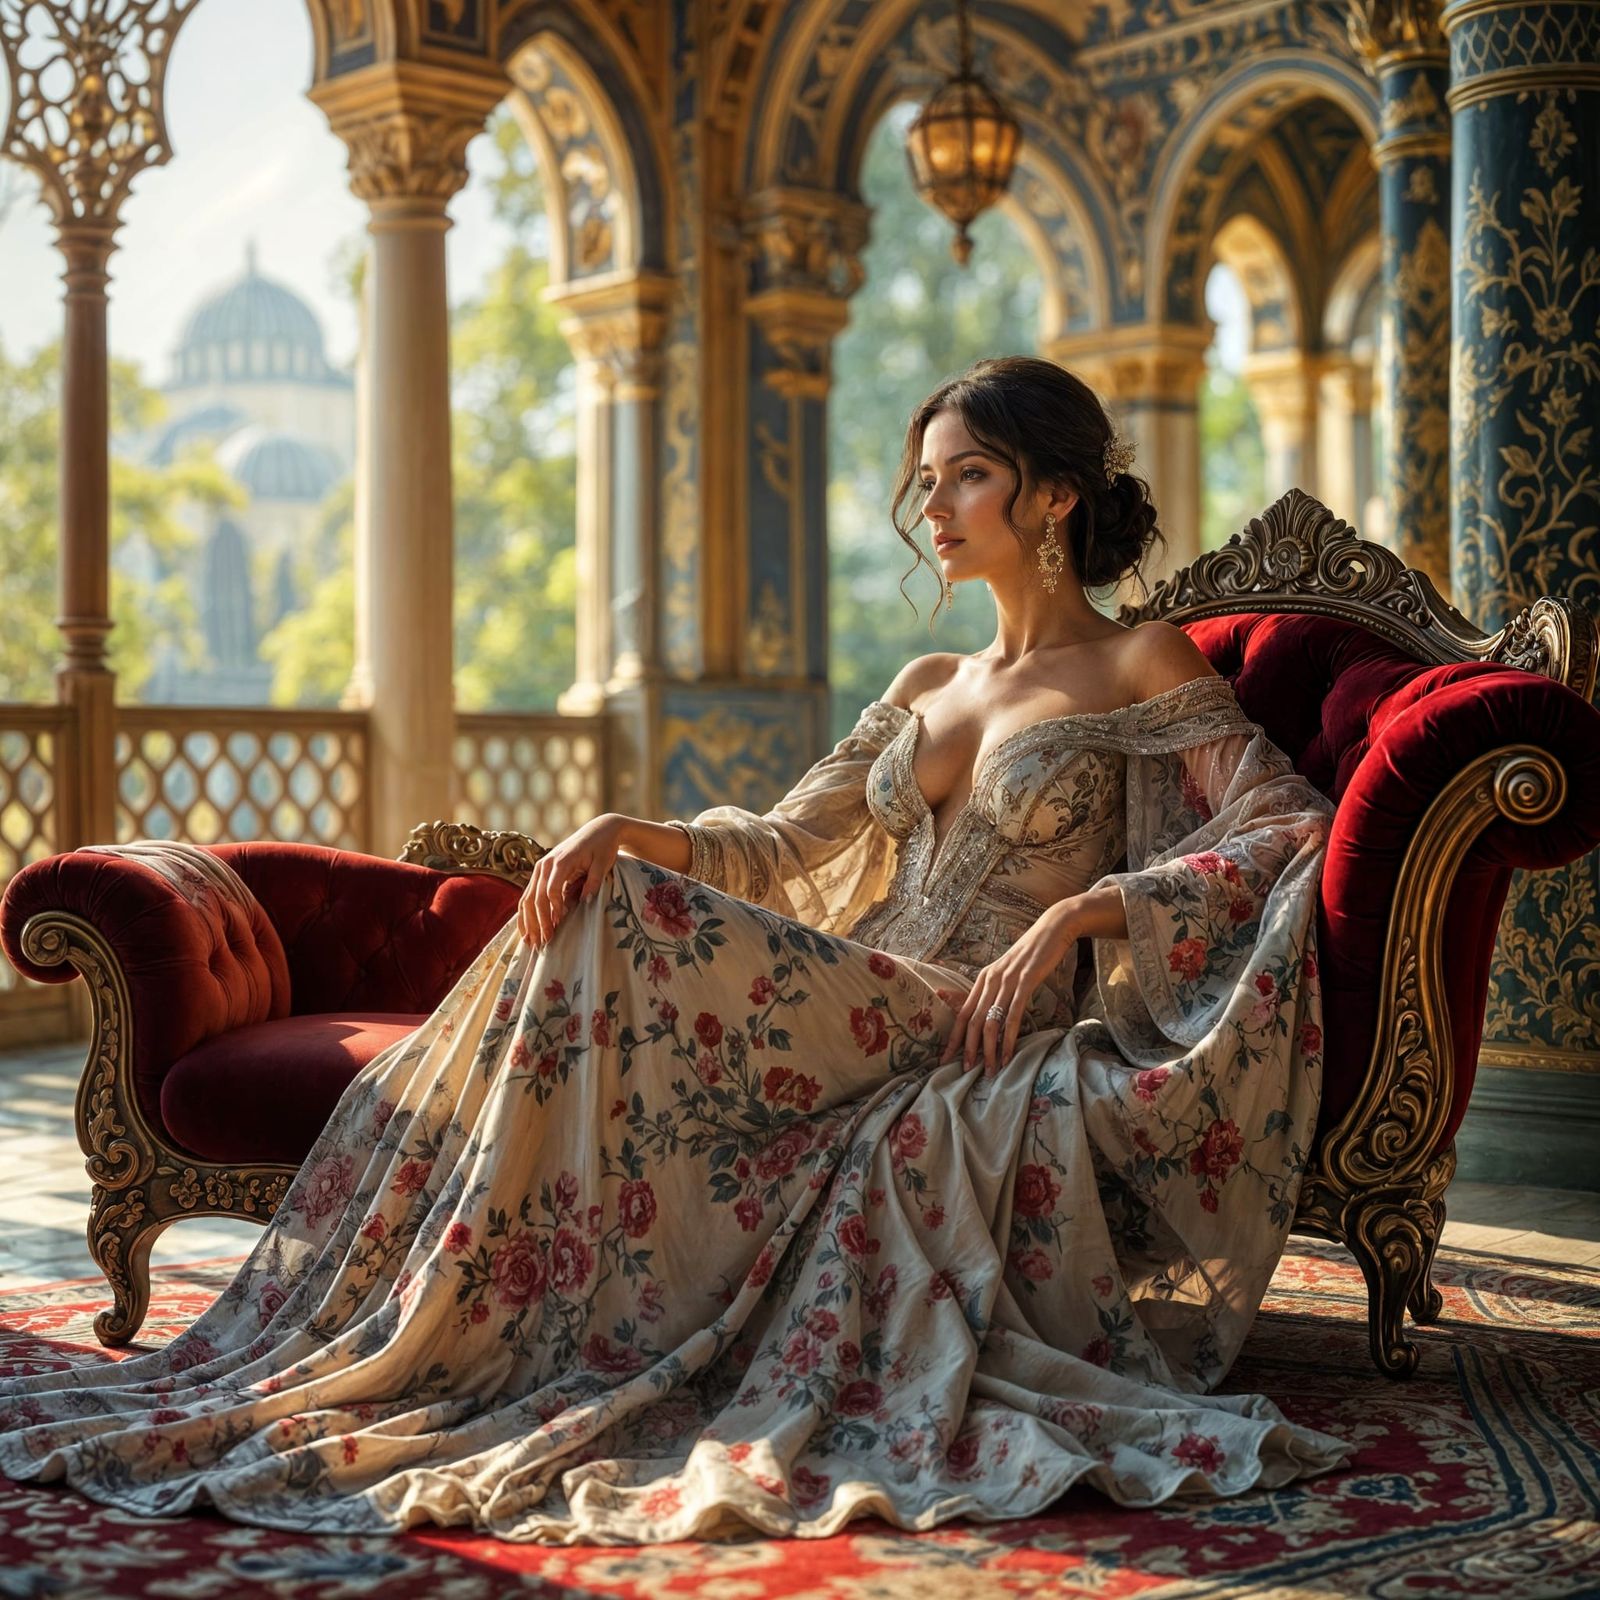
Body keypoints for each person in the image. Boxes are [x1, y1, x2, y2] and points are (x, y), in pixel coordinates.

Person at [0, 356, 1348, 1542]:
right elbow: (779, 842)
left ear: (1056, 497)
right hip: (868, 979)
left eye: (968, 478)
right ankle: (489, 1308)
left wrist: (1083, 912)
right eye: (922, 482)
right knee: (605, 895)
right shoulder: (927, 684)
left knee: (624, 917)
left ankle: (495, 1298)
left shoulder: (1136, 665)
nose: (931, 509)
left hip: (977, 1018)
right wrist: (631, 829)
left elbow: (1284, 822)